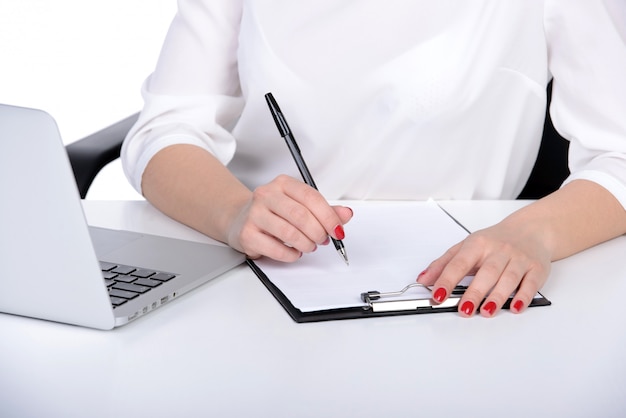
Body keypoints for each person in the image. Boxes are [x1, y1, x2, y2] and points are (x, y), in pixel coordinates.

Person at [121, 1, 626, 318]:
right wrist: (234, 213)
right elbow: (165, 128)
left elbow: (619, 153)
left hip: (453, 294)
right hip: (249, 279)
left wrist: (533, 233)